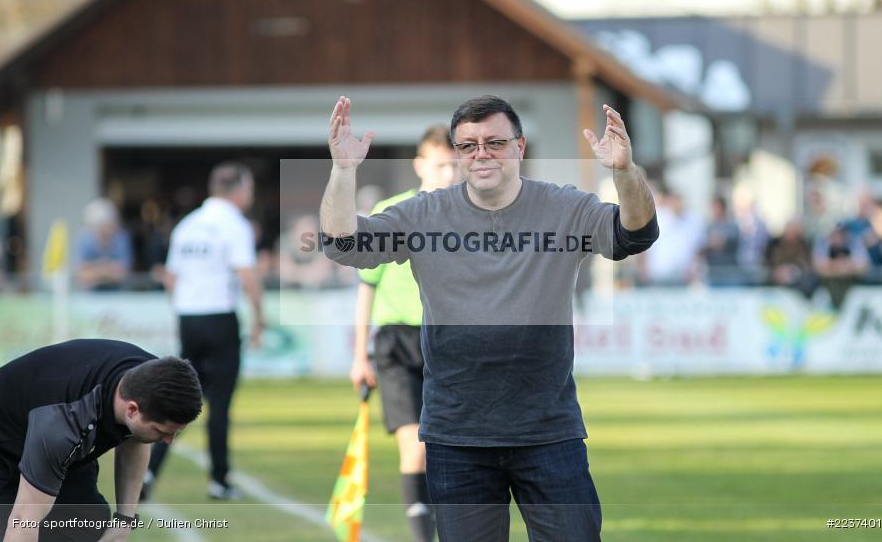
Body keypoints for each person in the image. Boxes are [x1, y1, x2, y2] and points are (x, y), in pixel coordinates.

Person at [320, 95, 659, 542]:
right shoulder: (423, 213)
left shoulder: (565, 208)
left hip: (548, 431)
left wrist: (623, 173)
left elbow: (635, 234)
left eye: (495, 142)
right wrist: (343, 172)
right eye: (469, 145)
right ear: (457, 154)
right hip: (457, 436)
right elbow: (342, 245)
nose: (482, 153)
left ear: (520, 147)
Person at [350, 125, 457, 542]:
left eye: (454, 165)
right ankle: (421, 537)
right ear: (420, 165)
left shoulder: (471, 214)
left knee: (450, 448)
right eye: (440, 165)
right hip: (396, 341)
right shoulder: (392, 210)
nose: (448, 174)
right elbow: (366, 286)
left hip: (448, 341)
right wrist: (360, 355)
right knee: (416, 446)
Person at [142, 162, 265, 501]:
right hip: (220, 316)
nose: (250, 195)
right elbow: (247, 275)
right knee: (220, 404)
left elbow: (171, 277)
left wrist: (181, 310)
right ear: (238, 190)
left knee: (175, 397)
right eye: (250, 188)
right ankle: (219, 481)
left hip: (189, 317)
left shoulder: (188, 224)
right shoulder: (234, 224)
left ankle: (148, 473)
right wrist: (259, 318)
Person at [0, 339, 202, 542]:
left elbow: (136, 437)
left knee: (90, 527)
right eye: (161, 431)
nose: (169, 441)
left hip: (57, 447)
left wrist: (124, 521)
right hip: (5, 447)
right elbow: (23, 520)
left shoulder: (151, 379)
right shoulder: (64, 425)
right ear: (131, 409)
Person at [75, 198, 133, 291]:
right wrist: (107, 269)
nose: (110, 228)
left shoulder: (121, 238)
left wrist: (94, 269)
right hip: (91, 294)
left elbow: (122, 274)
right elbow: (82, 276)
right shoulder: (85, 239)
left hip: (118, 293)